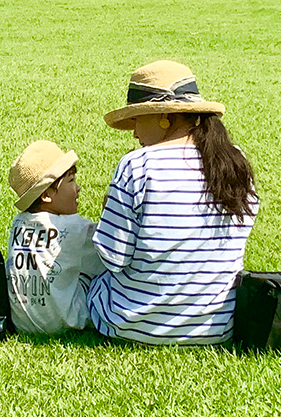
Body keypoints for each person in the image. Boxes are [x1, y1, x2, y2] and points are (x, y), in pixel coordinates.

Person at [86, 60, 258, 345]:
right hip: (218, 327)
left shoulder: (137, 165)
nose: (135, 133)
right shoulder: (234, 161)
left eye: (138, 120)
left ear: (164, 116)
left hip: (131, 324)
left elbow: (113, 258)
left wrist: (110, 217)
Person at [6, 139, 104, 335]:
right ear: (46, 196)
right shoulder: (76, 229)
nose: (78, 189)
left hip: (22, 325)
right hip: (65, 323)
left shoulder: (18, 223)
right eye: (71, 181)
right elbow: (110, 255)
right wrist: (109, 215)